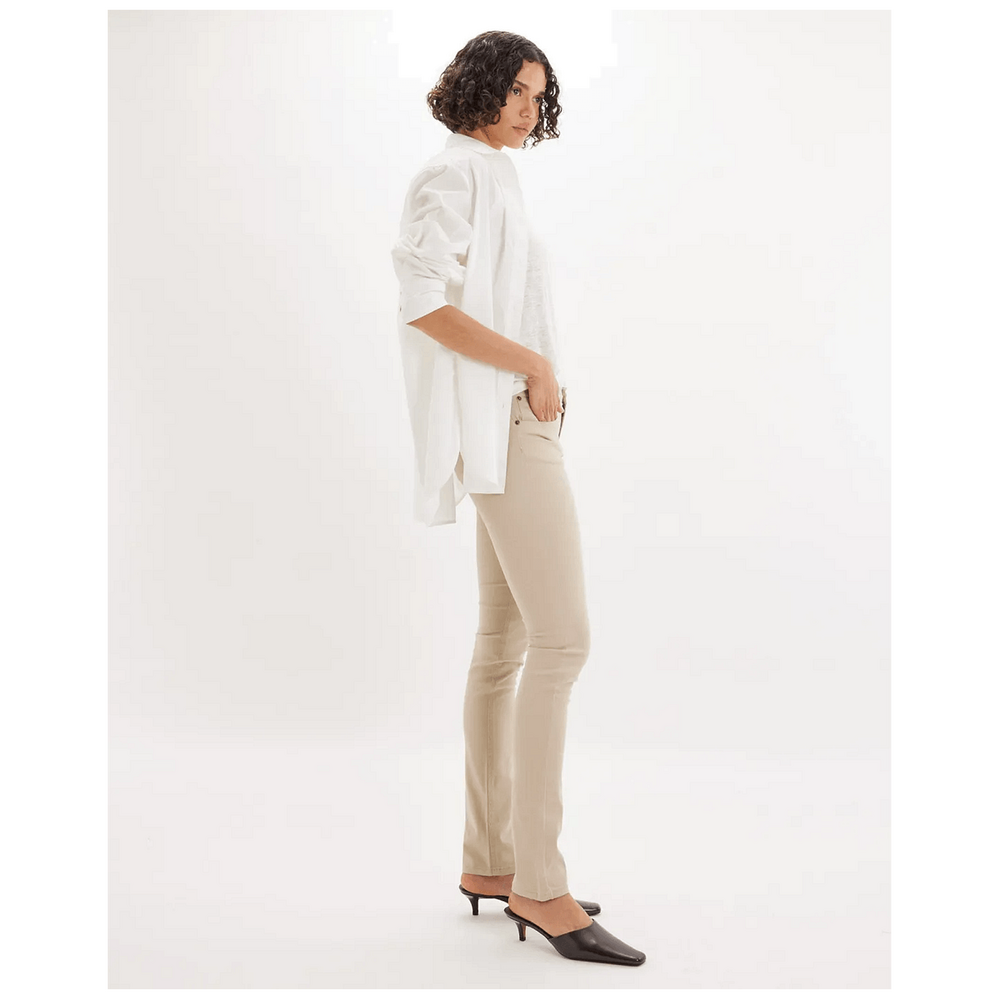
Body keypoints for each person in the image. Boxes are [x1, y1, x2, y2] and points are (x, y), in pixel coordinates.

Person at [390, 31, 645, 967]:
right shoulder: (452, 173)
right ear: (481, 86)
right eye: (519, 91)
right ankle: (542, 880)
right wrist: (534, 365)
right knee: (562, 642)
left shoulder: (491, 174)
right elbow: (422, 300)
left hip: (505, 425)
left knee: (503, 646)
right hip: (503, 424)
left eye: (541, 96)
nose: (531, 110)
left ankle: (492, 862)